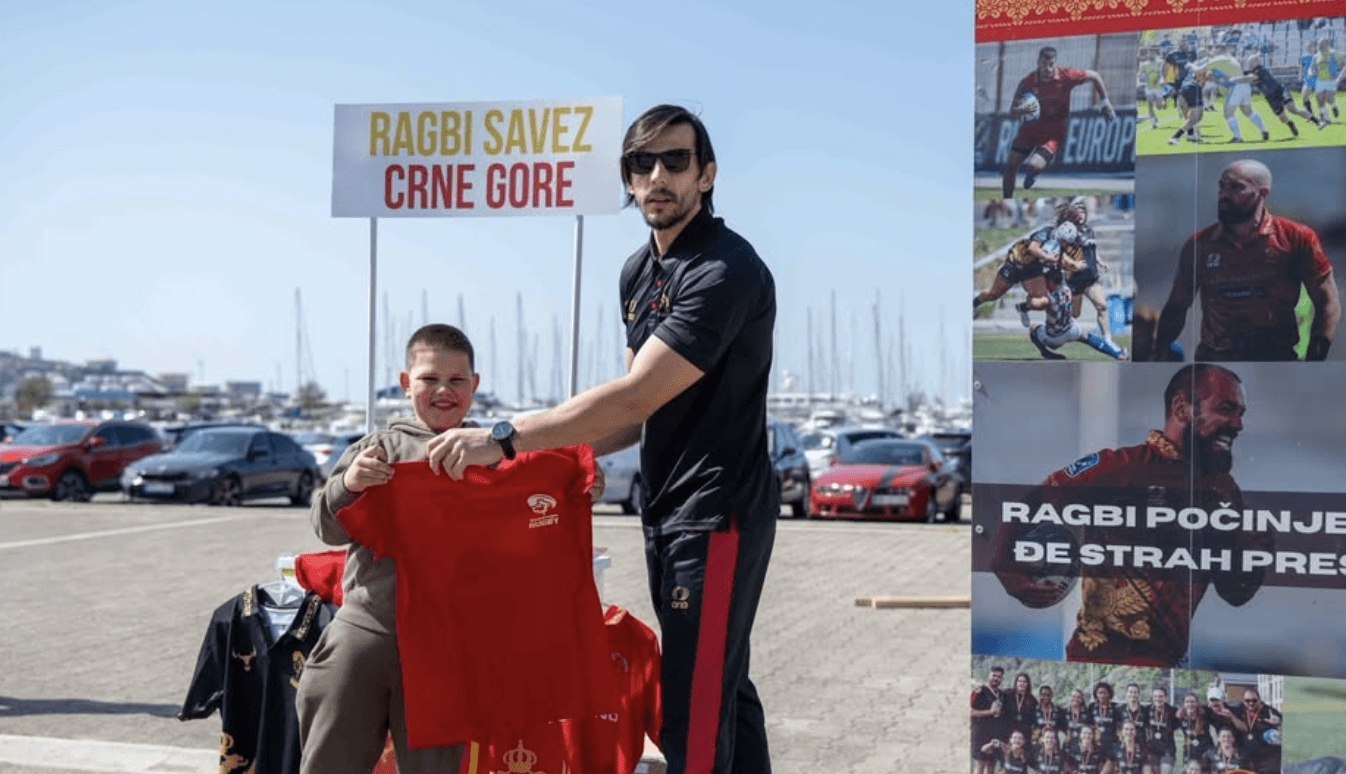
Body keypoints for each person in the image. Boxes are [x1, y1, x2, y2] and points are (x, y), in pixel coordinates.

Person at [423, 103, 778, 774]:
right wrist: (526, 465)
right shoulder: (638, 274)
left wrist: (503, 437)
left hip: (719, 514)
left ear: (707, 175)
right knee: (723, 692)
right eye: (640, 164)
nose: (656, 176)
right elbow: (632, 421)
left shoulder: (726, 269)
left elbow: (637, 391)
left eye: (675, 160)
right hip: (666, 511)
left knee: (694, 710)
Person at [294, 324, 482, 774]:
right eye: (429, 379)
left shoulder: (495, 454)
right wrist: (348, 484)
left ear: (474, 385)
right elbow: (326, 527)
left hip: (447, 642)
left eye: (457, 381)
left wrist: (578, 490)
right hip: (369, 628)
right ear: (405, 383)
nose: (443, 391)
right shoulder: (375, 449)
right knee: (329, 761)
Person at [993, 364, 1270, 666]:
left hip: (1169, 667)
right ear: (1181, 409)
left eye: (1241, 414)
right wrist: (1005, 566)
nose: (1237, 424)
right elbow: (1035, 499)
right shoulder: (1122, 466)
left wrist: (1255, 550)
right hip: (1097, 662)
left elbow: (1235, 591)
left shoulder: (1224, 489)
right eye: (1226, 409)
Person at [1154, 158, 1340, 361]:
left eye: (1236, 187)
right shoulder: (1199, 244)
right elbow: (1177, 305)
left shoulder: (1297, 237)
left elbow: (1327, 301)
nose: (1225, 194)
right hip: (1214, 360)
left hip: (1277, 359)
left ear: (1262, 193)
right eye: (1222, 187)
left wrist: (1317, 354)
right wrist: (1158, 354)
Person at [1001, 45, 1117, 198]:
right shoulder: (1027, 82)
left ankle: (1031, 176)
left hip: (1053, 132)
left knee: (1034, 166)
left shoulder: (1066, 76)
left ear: (1055, 63)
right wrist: (1022, 109)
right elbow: (1012, 112)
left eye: (1051, 64)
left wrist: (1105, 103)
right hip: (1028, 130)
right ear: (1038, 62)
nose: (1048, 69)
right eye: (1044, 64)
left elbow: (1094, 76)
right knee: (1010, 167)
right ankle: (1006, 198)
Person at [1028, 260, 1129, 361]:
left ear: (1052, 282)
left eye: (1047, 280)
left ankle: (1046, 353)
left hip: (1054, 337)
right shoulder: (1067, 289)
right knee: (1088, 337)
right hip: (1070, 329)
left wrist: (1030, 297)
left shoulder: (1048, 297)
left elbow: (1033, 304)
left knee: (1033, 327)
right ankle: (1117, 354)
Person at [972, 219, 1063, 326]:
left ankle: (1023, 308)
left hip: (1032, 268)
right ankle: (974, 303)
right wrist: (1047, 257)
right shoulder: (1046, 232)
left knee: (1042, 301)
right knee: (994, 294)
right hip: (1015, 264)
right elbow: (1033, 248)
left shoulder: (1064, 243)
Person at [1238, 53, 1319, 135]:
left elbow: (1251, 77)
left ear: (1254, 63)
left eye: (1250, 62)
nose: (1249, 64)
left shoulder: (1260, 69)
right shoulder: (1251, 71)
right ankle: (1290, 124)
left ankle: (1316, 121)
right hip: (1270, 97)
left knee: (1292, 109)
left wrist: (1236, 79)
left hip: (1279, 91)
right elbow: (1246, 74)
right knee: (1282, 117)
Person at [1230, 687, 1282, 774]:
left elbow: (1280, 719)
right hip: (1247, 760)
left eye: (1254, 700)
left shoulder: (1269, 711)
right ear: (1243, 700)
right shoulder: (1238, 711)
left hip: (1267, 761)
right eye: (1247, 701)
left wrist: (1278, 721)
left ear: (1259, 700)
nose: (1251, 703)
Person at [971, 666, 1010, 774]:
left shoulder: (1002, 695)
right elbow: (970, 712)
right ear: (989, 675)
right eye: (994, 675)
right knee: (980, 764)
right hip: (980, 732)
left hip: (995, 733)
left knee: (991, 763)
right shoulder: (979, 691)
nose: (996, 678)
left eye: (999, 677)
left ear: (1002, 679)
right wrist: (990, 712)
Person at [1177, 692, 1216, 769]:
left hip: (1207, 749)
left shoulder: (1205, 712)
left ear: (1197, 703)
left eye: (1192, 702)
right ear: (1184, 704)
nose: (1190, 704)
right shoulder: (1181, 716)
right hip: (1190, 750)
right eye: (1187, 702)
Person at [1145, 688, 1180, 774]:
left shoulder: (1173, 711)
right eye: (1155, 696)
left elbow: (1186, 715)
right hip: (1151, 750)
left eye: (1161, 696)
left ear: (1166, 698)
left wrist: (1182, 714)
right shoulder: (1147, 710)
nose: (1158, 699)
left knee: (1166, 771)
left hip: (1167, 750)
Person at [1309, 38, 1343, 125]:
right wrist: (1310, 73)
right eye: (1318, 44)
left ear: (1327, 44)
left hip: (1331, 80)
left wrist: (1339, 77)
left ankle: (1333, 106)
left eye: (1321, 44)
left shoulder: (1333, 53)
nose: (1319, 46)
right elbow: (1311, 67)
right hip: (1320, 80)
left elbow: (1342, 63)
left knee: (1328, 98)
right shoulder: (1316, 56)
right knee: (1319, 99)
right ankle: (1326, 118)